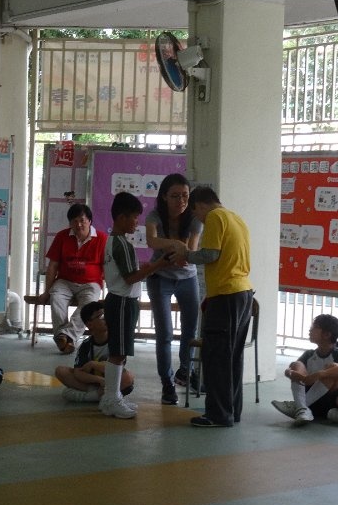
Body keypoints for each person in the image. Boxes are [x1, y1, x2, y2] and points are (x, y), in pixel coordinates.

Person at [170, 186, 253, 428]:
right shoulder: (235, 217)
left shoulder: (215, 217)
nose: (199, 219)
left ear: (200, 205)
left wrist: (186, 254)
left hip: (225, 295)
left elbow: (210, 254)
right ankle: (231, 411)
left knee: (216, 356)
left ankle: (218, 414)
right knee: (232, 357)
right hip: (243, 292)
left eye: (196, 213)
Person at [100, 191, 170, 419]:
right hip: (122, 302)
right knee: (118, 353)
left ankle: (112, 397)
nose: (136, 222)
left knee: (120, 352)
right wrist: (158, 265)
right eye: (134, 217)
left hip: (121, 300)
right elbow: (130, 278)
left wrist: (146, 267)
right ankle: (111, 398)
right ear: (121, 217)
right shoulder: (122, 245)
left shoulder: (114, 241)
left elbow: (127, 273)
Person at [145, 174, 202, 405]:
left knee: (190, 329)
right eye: (175, 196)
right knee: (165, 334)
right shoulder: (154, 216)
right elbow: (151, 241)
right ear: (164, 197)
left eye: (185, 196)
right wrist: (176, 244)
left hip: (188, 278)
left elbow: (190, 252)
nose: (181, 201)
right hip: (160, 277)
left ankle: (185, 371)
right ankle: (166, 383)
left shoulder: (195, 219)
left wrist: (179, 251)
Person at [39, 203, 108, 355]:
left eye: (82, 220)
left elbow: (107, 267)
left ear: (89, 221)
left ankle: (65, 337)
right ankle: (66, 339)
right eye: (74, 221)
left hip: (91, 283)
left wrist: (110, 291)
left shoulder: (102, 239)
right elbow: (53, 266)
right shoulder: (62, 236)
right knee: (56, 297)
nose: (79, 224)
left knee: (89, 305)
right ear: (70, 223)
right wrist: (46, 291)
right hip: (65, 281)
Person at [272, 314, 338, 425]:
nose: (310, 330)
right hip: (313, 401)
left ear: (327, 334)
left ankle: (299, 407)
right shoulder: (309, 354)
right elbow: (291, 369)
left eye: (314, 327)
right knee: (296, 364)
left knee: (333, 368)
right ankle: (302, 408)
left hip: (331, 402)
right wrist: (291, 373)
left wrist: (320, 374)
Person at [55, 300, 134, 403]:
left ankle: (90, 396)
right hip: (92, 381)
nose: (106, 318)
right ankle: (98, 394)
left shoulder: (117, 341)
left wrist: (93, 364)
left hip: (112, 382)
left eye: (106, 315)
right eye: (101, 316)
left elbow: (117, 368)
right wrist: (99, 380)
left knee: (128, 377)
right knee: (61, 371)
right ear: (90, 324)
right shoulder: (86, 345)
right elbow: (78, 372)